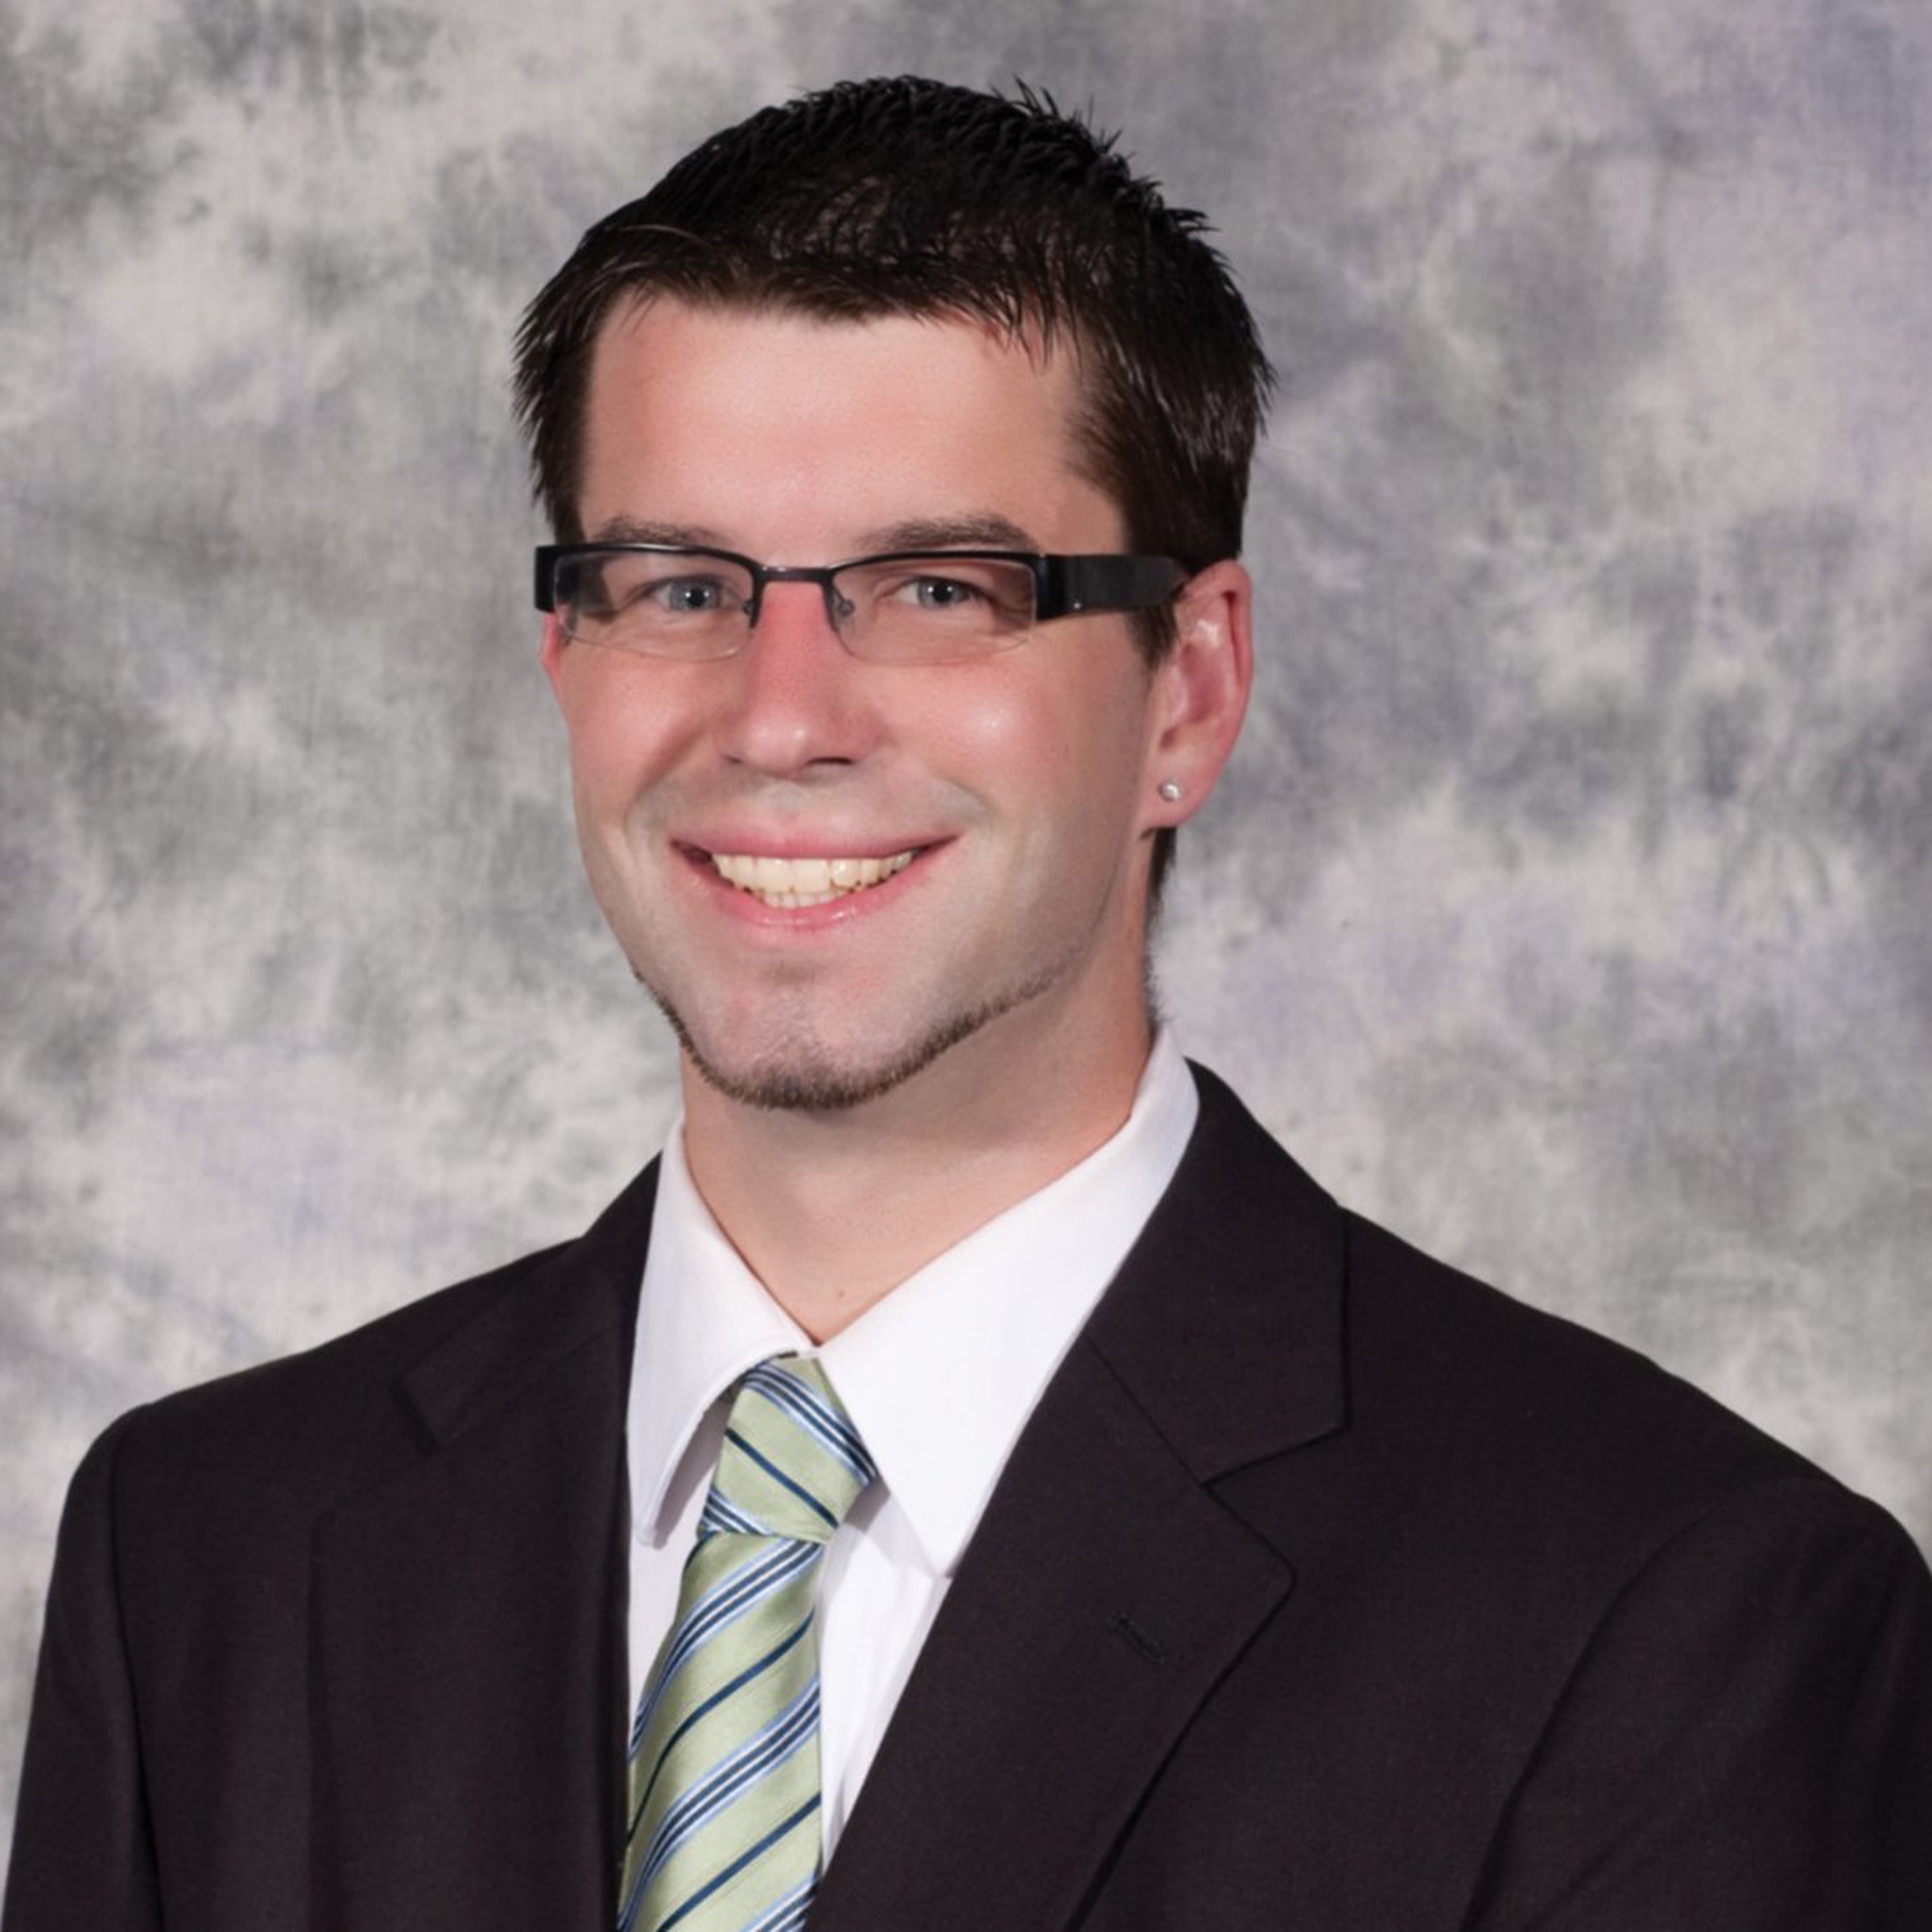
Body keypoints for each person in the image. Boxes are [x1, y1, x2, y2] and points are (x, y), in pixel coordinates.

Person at [6, 73, 1930, 1932]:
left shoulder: (1670, 1625)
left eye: (936, 590)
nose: (781, 719)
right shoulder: (204, 1558)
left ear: (1188, 689)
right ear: (565, 655)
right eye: (682, 586)